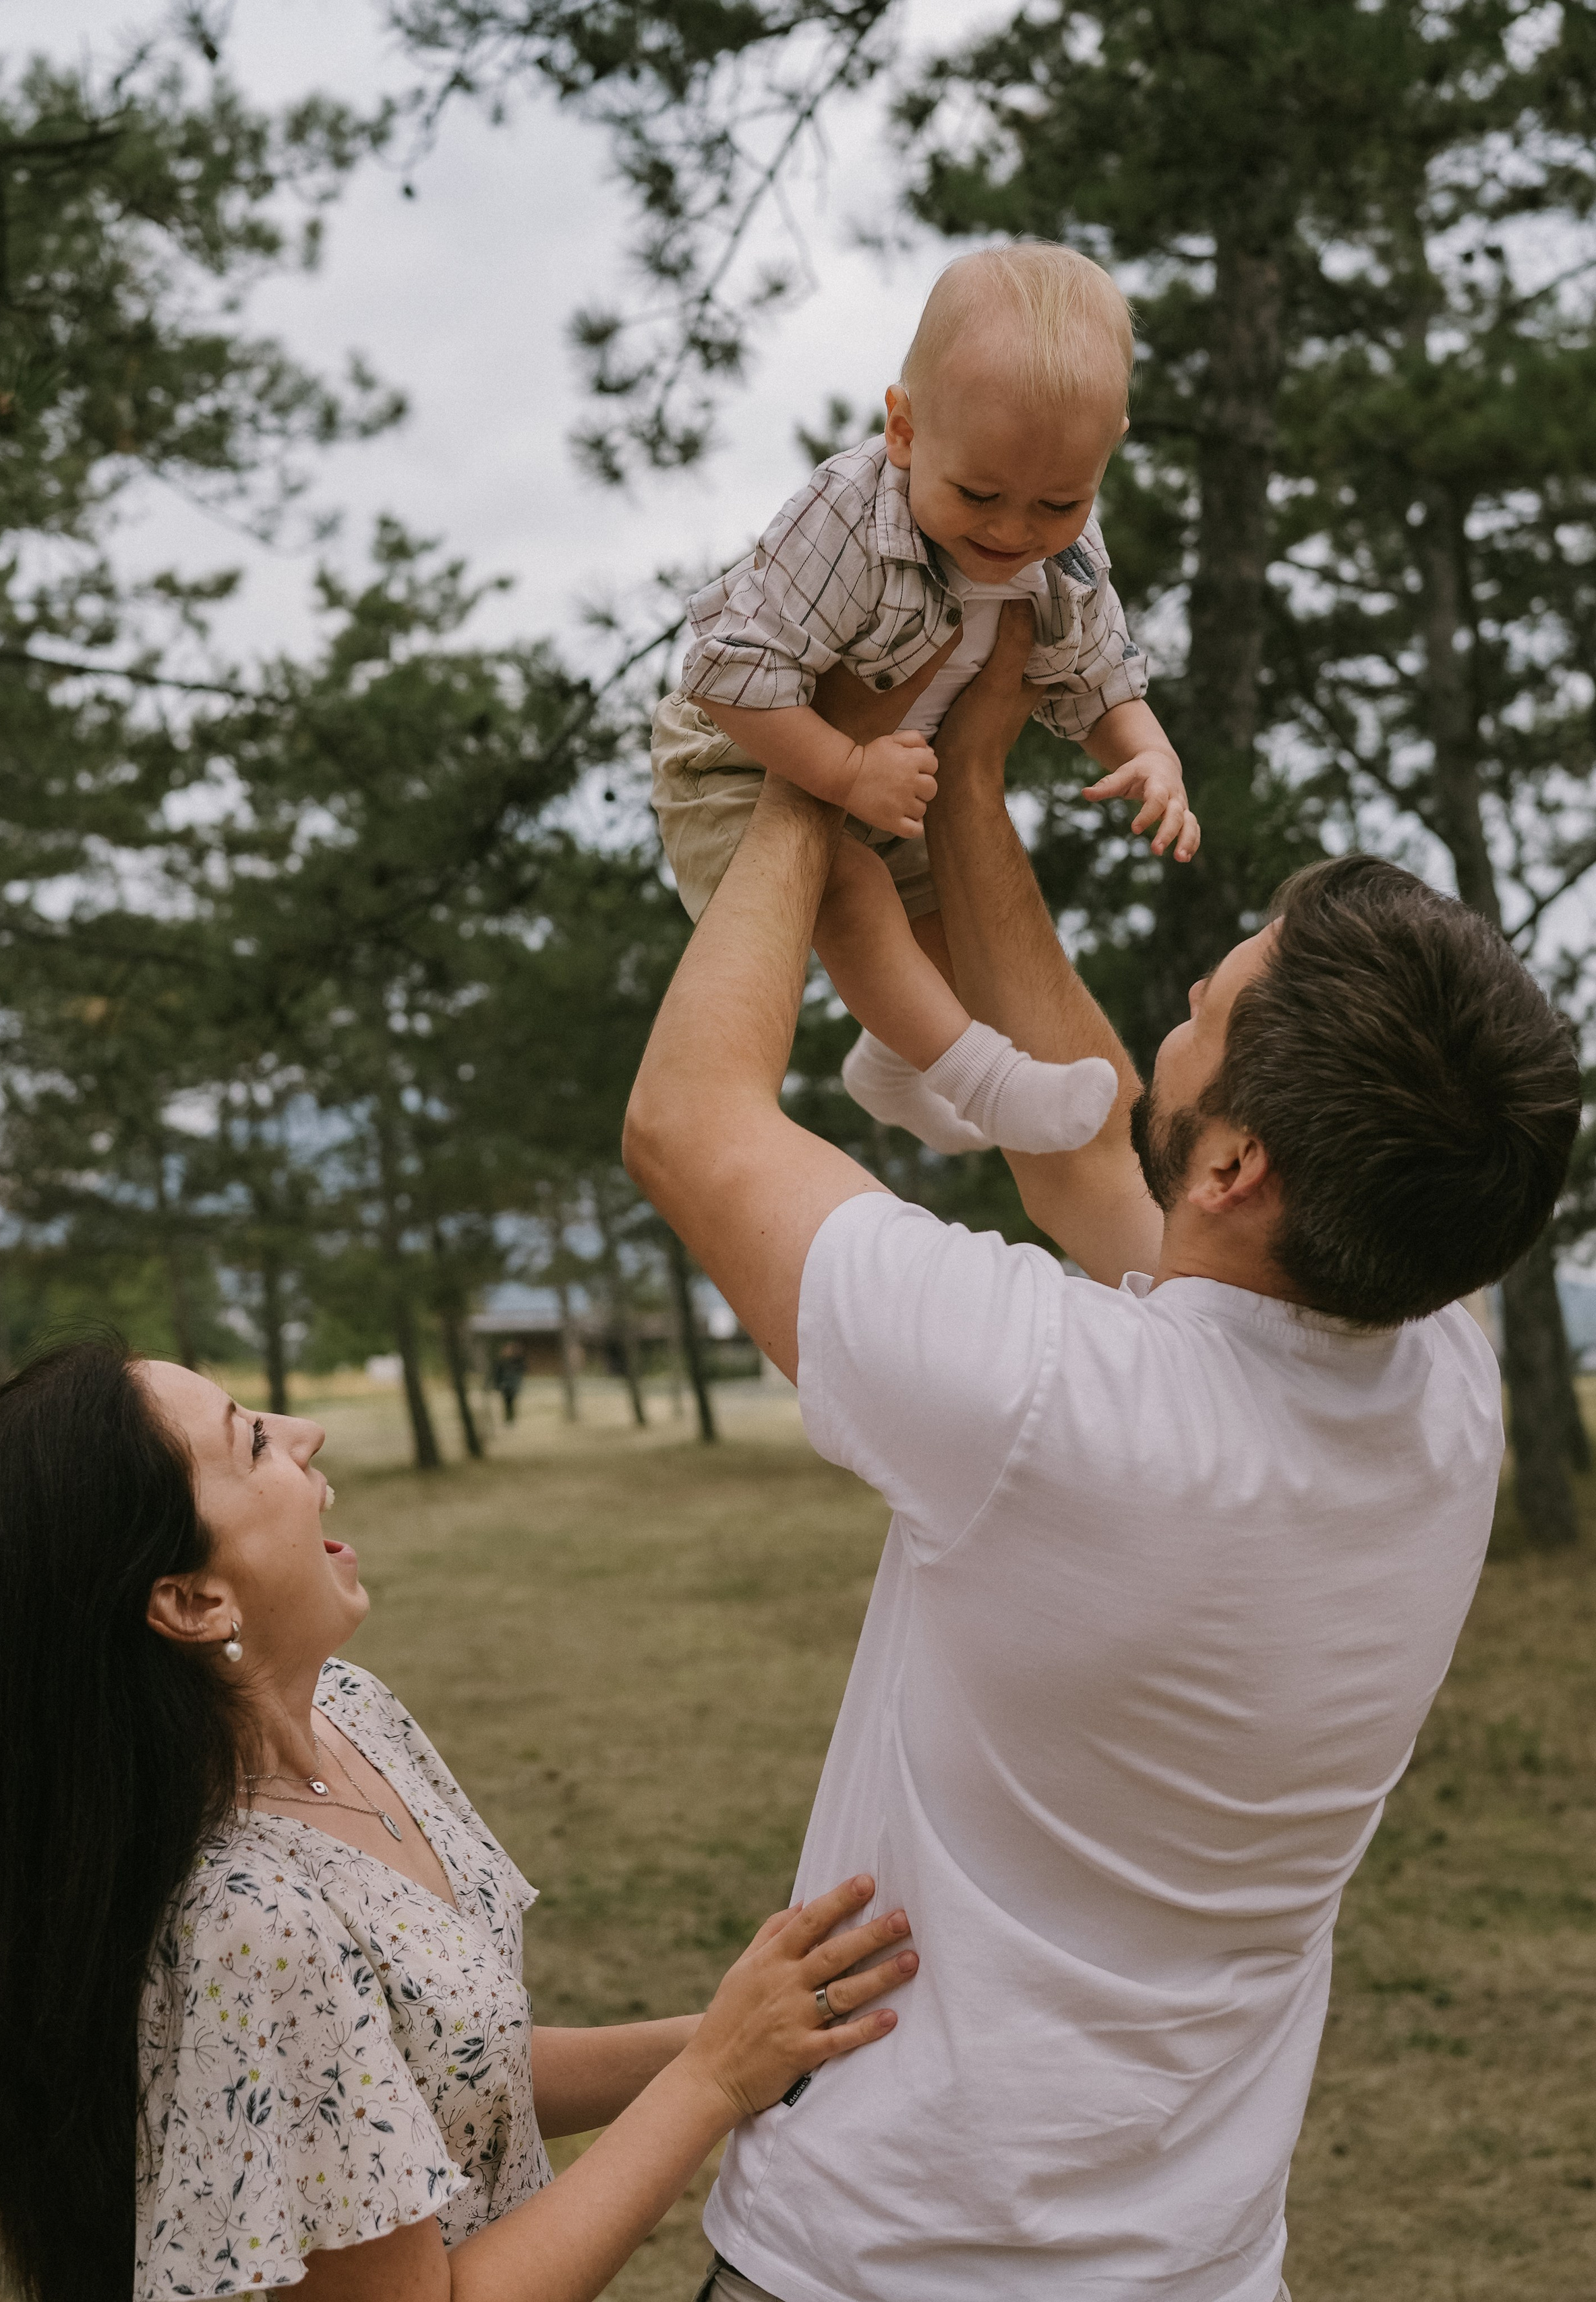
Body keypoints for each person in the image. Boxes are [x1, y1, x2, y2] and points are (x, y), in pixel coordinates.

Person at [623, 600, 1581, 2302]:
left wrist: (803, 752)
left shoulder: (1044, 1406)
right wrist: (969, 782)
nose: (1185, 996)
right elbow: (1090, 1142)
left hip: (877, 2265)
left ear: (1234, 1174)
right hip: (1194, 2267)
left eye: (1209, 1007)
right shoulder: (1439, 1385)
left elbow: (692, 1126)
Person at [0, 1344, 917, 2301]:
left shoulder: (355, 1713)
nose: (304, 1431)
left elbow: (448, 2080)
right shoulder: (249, 1921)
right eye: (251, 1439)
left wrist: (733, 2031)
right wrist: (712, 2076)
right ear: (195, 1601)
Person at [651, 239, 1198, 1162]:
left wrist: (1148, 751)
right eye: (979, 492)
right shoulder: (845, 517)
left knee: (951, 920)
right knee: (851, 886)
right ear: (904, 430)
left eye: (1058, 503)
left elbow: (1096, 674)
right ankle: (983, 1079)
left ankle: (890, 1066)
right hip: (739, 764)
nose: (1014, 530)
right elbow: (727, 674)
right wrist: (846, 768)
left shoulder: (1067, 555)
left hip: (891, 779)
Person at [492, 1336, 527, 1422]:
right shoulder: (501, 1361)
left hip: (513, 1384)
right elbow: (497, 1373)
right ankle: (508, 1418)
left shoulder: (516, 1360)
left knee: (511, 1401)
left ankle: (511, 1418)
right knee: (506, 1402)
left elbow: (522, 1369)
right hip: (504, 1384)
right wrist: (498, 1384)